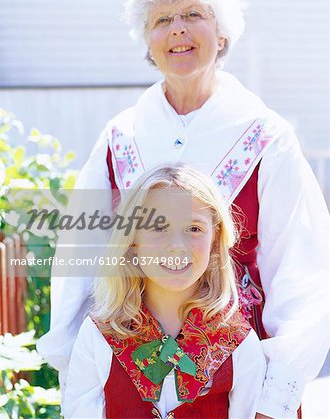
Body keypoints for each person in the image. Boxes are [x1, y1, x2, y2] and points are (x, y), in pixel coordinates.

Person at [37, 0, 330, 418]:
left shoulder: (266, 136)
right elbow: (81, 257)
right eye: (162, 19)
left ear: (223, 32)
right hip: (126, 368)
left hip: (238, 376)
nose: (177, 29)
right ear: (147, 40)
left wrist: (274, 398)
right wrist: (73, 362)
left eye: (194, 14)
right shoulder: (120, 137)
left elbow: (302, 272)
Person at [62, 164, 266, 419]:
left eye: (194, 229)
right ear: (132, 241)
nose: (177, 246)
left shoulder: (238, 343)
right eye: (158, 227)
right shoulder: (98, 336)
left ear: (215, 239)